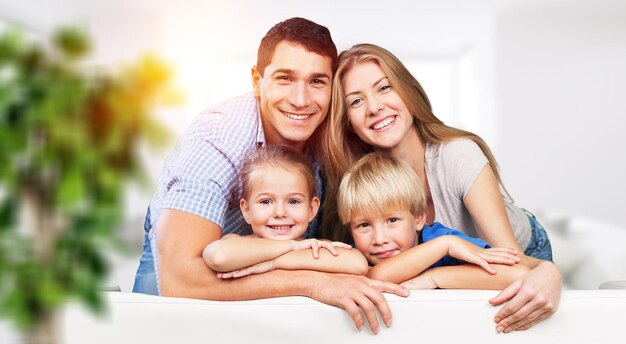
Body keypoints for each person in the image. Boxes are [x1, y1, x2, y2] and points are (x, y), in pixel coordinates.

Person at [132, 19, 408, 335]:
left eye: (317, 81)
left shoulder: (331, 131)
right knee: (159, 328)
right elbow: (180, 280)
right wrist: (312, 283)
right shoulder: (216, 140)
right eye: (285, 79)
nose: (301, 100)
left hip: (275, 267)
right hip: (188, 266)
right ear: (256, 80)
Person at [320, 43, 562, 333]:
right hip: (448, 263)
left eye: (384, 88)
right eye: (356, 102)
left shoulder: (457, 155)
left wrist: (548, 271)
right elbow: (371, 273)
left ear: (407, 91)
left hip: (519, 250)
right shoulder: (360, 180)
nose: (374, 107)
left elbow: (513, 264)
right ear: (347, 121)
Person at [337, 152, 530, 289]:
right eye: (363, 225)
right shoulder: (355, 256)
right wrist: (445, 246)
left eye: (392, 220)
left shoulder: (442, 239)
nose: (379, 239)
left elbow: (518, 274)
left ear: (419, 218)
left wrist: (435, 278)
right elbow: (376, 276)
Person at [202, 145, 368, 278]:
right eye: (266, 201)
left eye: (293, 201)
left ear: (312, 209)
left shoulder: (315, 247)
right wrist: (291, 246)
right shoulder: (237, 242)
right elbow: (219, 257)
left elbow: (358, 263)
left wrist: (273, 263)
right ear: (246, 210)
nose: (280, 213)